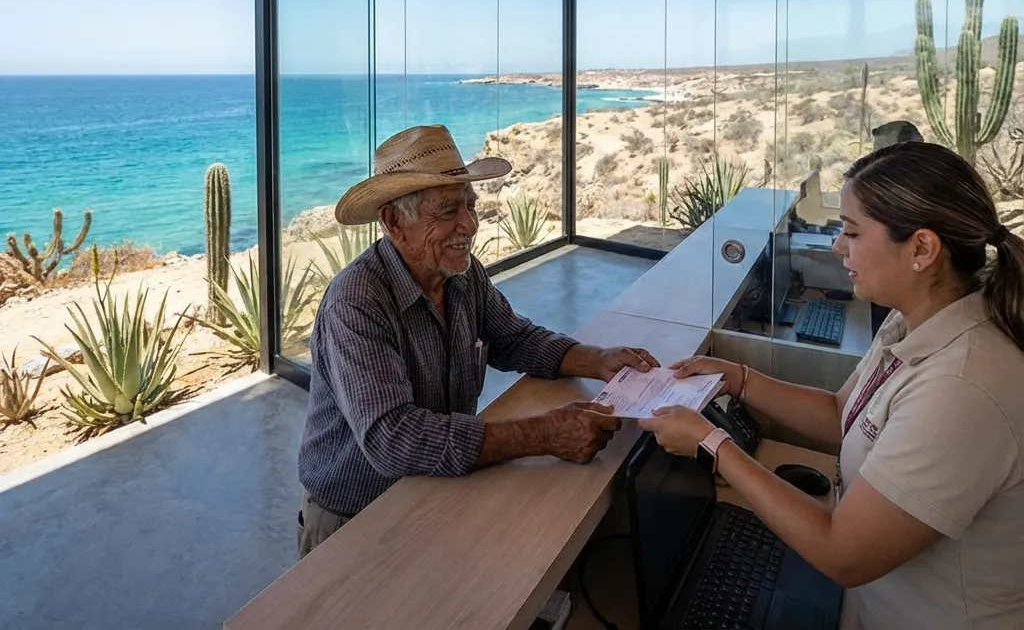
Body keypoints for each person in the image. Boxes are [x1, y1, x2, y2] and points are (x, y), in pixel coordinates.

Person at [641, 141, 1024, 630]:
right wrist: (738, 380)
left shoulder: (963, 387)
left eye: (852, 231)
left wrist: (712, 444)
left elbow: (843, 553)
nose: (836, 245)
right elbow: (845, 415)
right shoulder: (917, 319)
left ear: (922, 249)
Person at [297, 124, 658, 558]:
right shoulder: (356, 303)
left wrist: (598, 360)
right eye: (447, 210)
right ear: (395, 222)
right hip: (354, 517)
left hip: (436, 489)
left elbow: (514, 338)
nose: (469, 224)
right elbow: (394, 439)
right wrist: (544, 434)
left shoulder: (462, 274)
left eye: (470, 205)